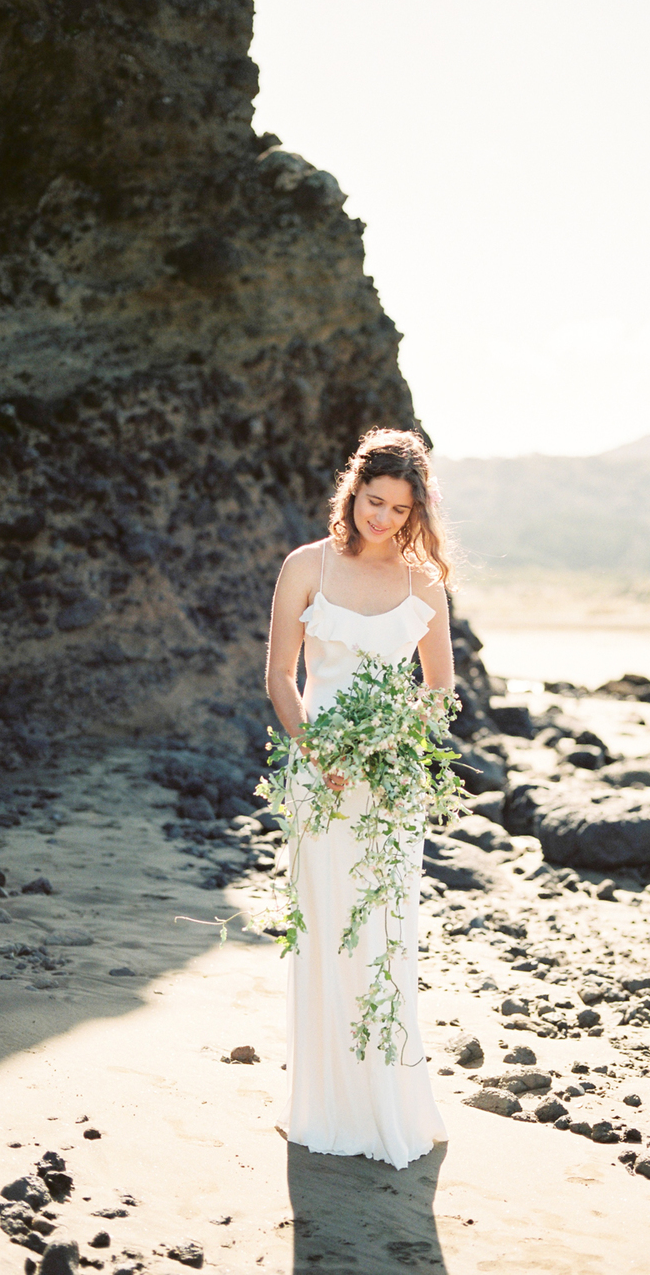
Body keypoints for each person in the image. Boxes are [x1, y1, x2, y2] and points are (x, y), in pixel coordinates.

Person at [265, 426, 454, 1169]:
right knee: (324, 932)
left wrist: (388, 741)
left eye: (401, 510)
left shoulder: (424, 584)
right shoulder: (304, 566)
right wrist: (319, 751)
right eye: (376, 501)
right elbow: (282, 677)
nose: (384, 519)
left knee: (384, 933)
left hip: (389, 785)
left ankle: (388, 1103)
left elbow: (439, 693)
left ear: (416, 515)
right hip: (320, 777)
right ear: (354, 490)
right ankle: (325, 1104)